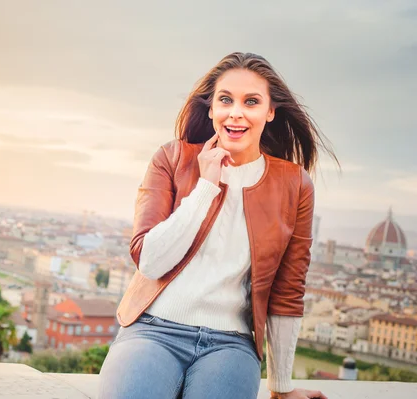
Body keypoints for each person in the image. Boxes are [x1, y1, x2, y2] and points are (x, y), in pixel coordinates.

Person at [97, 52, 339, 399]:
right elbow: (149, 261)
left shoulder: (295, 184)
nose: (236, 112)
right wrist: (205, 187)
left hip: (231, 344)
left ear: (270, 112)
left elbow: (288, 292)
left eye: (251, 102)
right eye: (225, 100)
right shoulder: (172, 158)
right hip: (153, 331)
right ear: (211, 108)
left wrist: (282, 389)